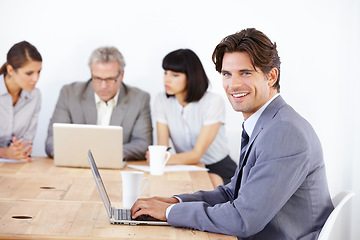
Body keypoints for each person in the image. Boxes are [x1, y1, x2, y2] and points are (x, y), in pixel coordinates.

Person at [131, 28, 334, 239]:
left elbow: (242, 219)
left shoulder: (284, 132)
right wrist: (174, 202)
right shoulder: (267, 123)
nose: (233, 84)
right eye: (227, 74)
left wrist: (169, 213)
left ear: (271, 76)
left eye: (245, 73)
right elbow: (233, 193)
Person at [45, 46, 152, 160]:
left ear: (121, 75)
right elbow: (53, 141)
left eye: (110, 79)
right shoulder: (69, 94)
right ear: (91, 73)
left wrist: (101, 155)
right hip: (76, 168)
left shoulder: (139, 99)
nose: (103, 86)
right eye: (97, 78)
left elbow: (142, 144)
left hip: (117, 169)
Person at [150, 49, 236, 186]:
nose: (166, 79)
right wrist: (160, 156)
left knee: (210, 189)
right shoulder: (161, 100)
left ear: (191, 76)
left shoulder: (213, 102)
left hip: (218, 168)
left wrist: (161, 158)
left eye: (175, 75)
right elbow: (163, 148)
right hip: (185, 168)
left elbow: (196, 154)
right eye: (165, 73)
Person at [0, 41, 42, 161]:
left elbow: (27, 140)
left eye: (39, 71)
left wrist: (21, 150)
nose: (36, 78)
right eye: (29, 73)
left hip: (16, 164)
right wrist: (5, 153)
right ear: (10, 70)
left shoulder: (35, 95)